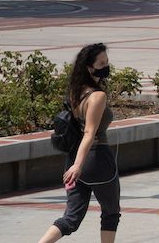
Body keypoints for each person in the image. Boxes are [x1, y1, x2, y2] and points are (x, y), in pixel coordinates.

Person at [37, 42, 121, 242]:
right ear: (89, 67)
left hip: (73, 158)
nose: (106, 67)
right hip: (97, 160)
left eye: (107, 62)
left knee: (71, 217)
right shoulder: (97, 96)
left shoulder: (76, 92)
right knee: (111, 212)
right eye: (101, 63)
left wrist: (74, 164)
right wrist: (78, 165)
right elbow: (90, 132)